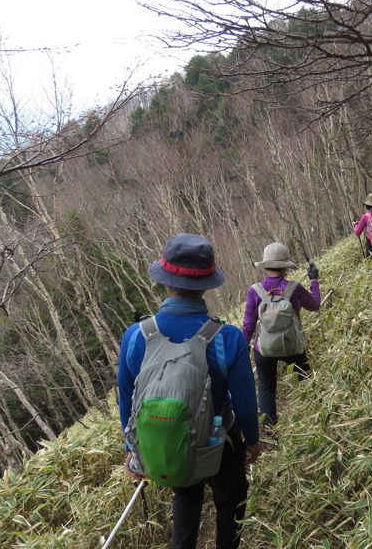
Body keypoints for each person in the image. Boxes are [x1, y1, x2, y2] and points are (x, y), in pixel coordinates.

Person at [118, 233, 260, 549]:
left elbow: (127, 399)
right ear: (207, 285)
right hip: (221, 440)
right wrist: (252, 441)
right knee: (231, 499)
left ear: (165, 283)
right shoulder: (228, 337)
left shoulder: (135, 336)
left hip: (169, 437)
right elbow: (246, 403)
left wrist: (133, 447)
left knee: (185, 493)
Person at [242, 242, 321, 433]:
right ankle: (312, 421)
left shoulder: (255, 290)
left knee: (267, 387)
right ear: (286, 266)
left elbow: (249, 324)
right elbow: (315, 305)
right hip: (291, 345)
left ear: (266, 265)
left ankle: (270, 433)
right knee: (304, 380)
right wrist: (314, 281)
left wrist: (243, 346)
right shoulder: (295, 288)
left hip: (264, 348)